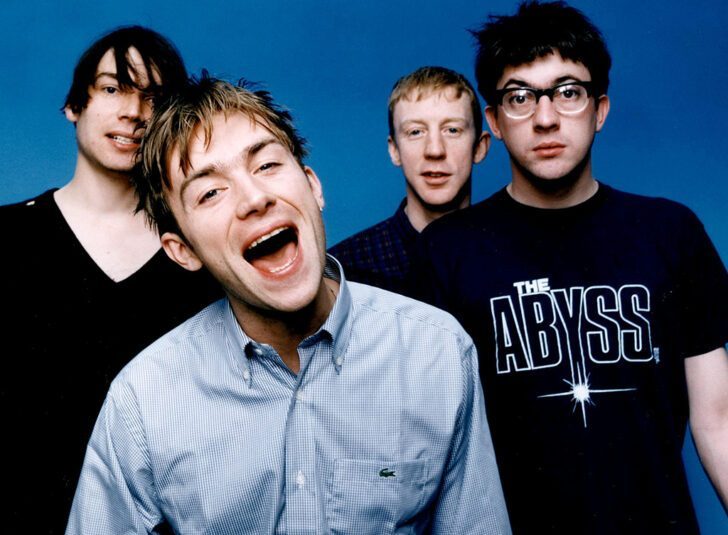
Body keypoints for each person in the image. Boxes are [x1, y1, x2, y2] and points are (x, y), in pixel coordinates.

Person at [65, 75, 511, 534]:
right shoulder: (143, 401)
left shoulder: (438, 352)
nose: (255, 199)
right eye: (210, 192)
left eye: (266, 165)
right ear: (183, 251)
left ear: (313, 187)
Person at [415, 1, 728, 533]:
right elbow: (429, 440)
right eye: (519, 97)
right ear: (494, 121)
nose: (544, 118)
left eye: (568, 92)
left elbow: (717, 420)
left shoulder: (670, 232)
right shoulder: (447, 251)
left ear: (599, 109)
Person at [0, 27, 218, 532]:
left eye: (154, 97)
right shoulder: (7, 237)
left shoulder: (200, 251)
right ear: (73, 105)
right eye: (113, 88)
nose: (133, 112)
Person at [329, 66, 490, 295]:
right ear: (394, 150)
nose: (435, 150)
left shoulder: (513, 251)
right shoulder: (343, 272)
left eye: (452, 130)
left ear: (480, 147)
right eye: (415, 132)